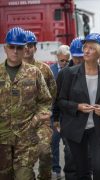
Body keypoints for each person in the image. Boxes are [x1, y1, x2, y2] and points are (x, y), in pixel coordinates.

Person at [57, 33, 100, 180]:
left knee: (98, 169)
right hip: (76, 128)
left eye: (91, 48)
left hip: (98, 129)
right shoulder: (68, 73)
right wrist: (77, 106)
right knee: (82, 170)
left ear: (99, 52)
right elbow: (60, 101)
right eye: (85, 47)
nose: (86, 51)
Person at [0, 27, 52, 180]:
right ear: (5, 48)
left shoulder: (34, 72)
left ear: (25, 49)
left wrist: (36, 119)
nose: (15, 51)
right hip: (2, 139)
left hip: (25, 138)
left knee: (24, 176)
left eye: (19, 47)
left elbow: (46, 101)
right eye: (12, 47)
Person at [23, 30, 57, 180]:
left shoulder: (44, 69)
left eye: (30, 45)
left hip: (42, 120)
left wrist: (47, 112)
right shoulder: (11, 69)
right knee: (23, 161)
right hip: (20, 122)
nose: (27, 48)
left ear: (35, 48)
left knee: (44, 151)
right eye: (23, 45)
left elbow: (53, 93)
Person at [53, 37, 84, 180]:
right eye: (76, 57)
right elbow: (57, 99)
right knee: (71, 158)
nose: (78, 60)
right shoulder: (64, 74)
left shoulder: (95, 71)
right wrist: (56, 119)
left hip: (89, 124)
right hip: (70, 122)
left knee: (87, 163)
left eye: (81, 56)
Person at [50, 45, 70, 178]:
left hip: (68, 114)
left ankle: (69, 170)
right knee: (53, 143)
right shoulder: (50, 71)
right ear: (57, 58)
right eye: (61, 60)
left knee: (68, 145)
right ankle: (56, 169)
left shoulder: (72, 71)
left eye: (66, 61)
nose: (64, 63)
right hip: (54, 113)